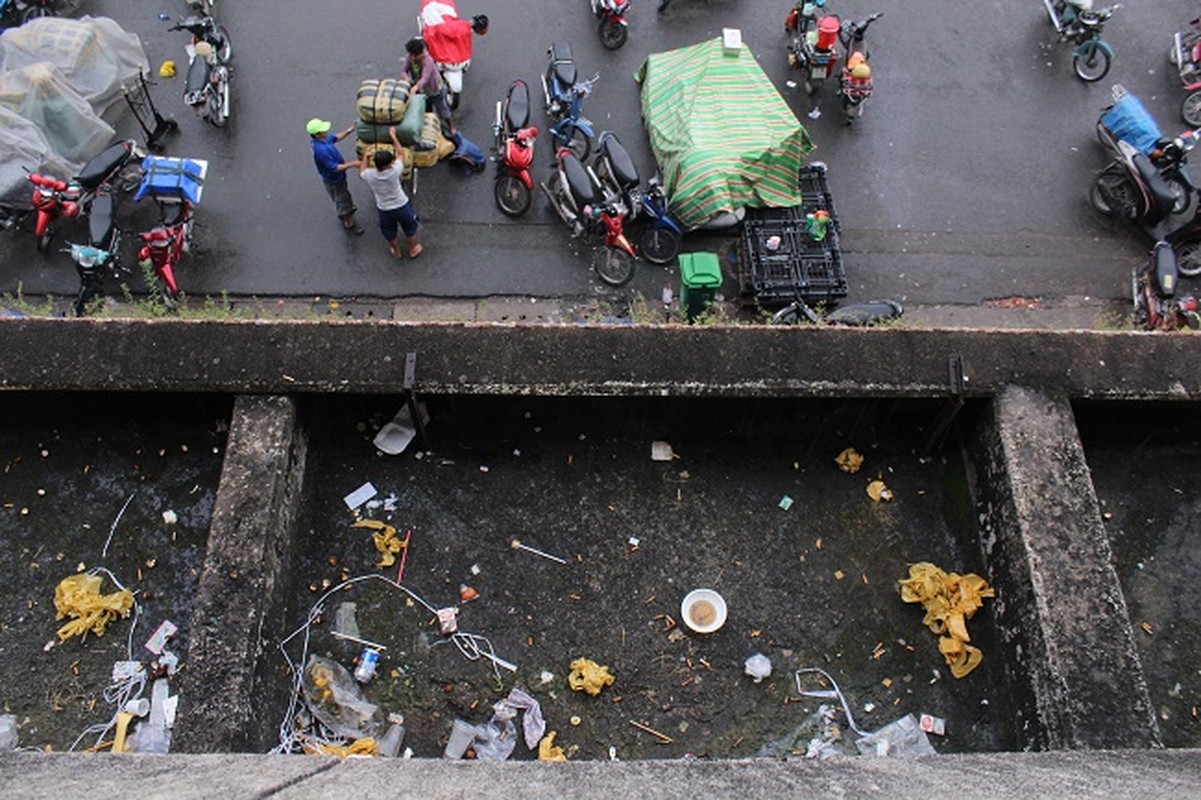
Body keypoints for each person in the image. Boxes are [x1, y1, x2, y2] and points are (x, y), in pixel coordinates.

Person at [359, 126, 423, 260]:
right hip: (402, 205)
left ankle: (396, 251)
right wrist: (393, 136)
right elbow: (401, 154)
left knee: (389, 232)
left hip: (384, 209)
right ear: (390, 163)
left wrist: (365, 156)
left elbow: (361, 172)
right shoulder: (394, 171)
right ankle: (413, 249)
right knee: (409, 228)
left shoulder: (370, 175)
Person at [307, 118, 364, 234]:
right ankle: (347, 220)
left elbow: (335, 138)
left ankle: (346, 210)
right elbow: (334, 168)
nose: (326, 132)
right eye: (323, 131)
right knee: (342, 198)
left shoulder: (321, 140)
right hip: (334, 180)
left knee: (341, 197)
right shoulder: (321, 151)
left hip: (335, 178)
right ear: (317, 135)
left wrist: (350, 130)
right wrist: (352, 164)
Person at [401, 37, 454, 134]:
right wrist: (406, 78)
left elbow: (425, 78)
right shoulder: (410, 57)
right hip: (422, 90)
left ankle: (451, 127)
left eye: (415, 55)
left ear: (421, 53)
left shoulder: (428, 61)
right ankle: (430, 129)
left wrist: (415, 87)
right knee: (426, 111)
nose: (412, 58)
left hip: (434, 89)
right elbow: (404, 70)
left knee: (442, 110)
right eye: (411, 55)